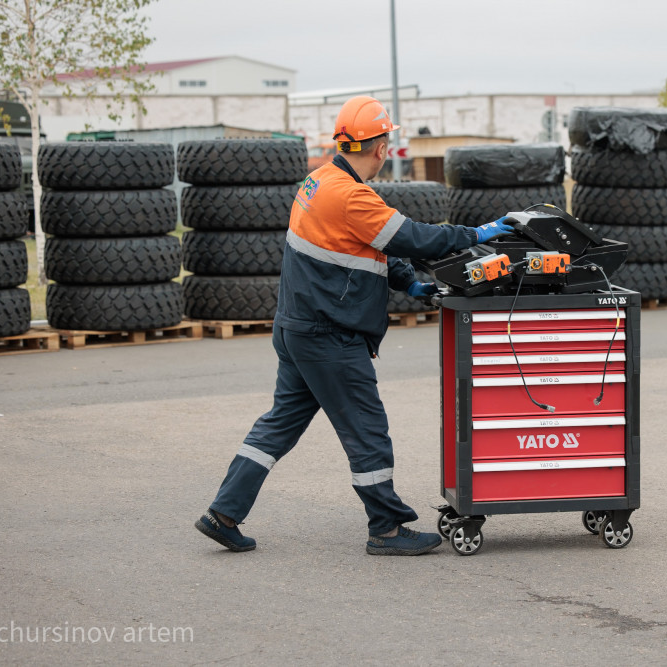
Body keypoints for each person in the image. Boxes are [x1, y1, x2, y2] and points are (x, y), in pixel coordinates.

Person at [196, 96, 513, 556]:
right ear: (381, 147)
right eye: (387, 142)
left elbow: (369, 247)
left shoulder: (318, 181)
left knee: (278, 426)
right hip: (329, 335)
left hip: (296, 328)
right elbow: (412, 237)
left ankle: (222, 513)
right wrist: (480, 233)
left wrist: (409, 284)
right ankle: (386, 528)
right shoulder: (353, 196)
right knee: (367, 429)